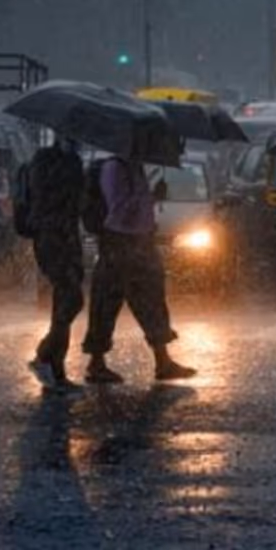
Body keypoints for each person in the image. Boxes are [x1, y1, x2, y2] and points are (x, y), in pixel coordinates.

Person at [82, 153, 196, 383]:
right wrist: (144, 199)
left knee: (151, 301)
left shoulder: (135, 167)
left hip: (140, 241)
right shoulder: (114, 168)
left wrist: (153, 197)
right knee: (106, 303)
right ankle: (96, 363)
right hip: (120, 242)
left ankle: (163, 361)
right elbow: (118, 208)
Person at [25, 136, 86, 393]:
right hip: (52, 238)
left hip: (67, 236)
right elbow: (48, 198)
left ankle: (54, 366)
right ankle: (46, 358)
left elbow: (76, 205)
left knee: (66, 300)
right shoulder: (46, 161)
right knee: (70, 298)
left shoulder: (72, 162)